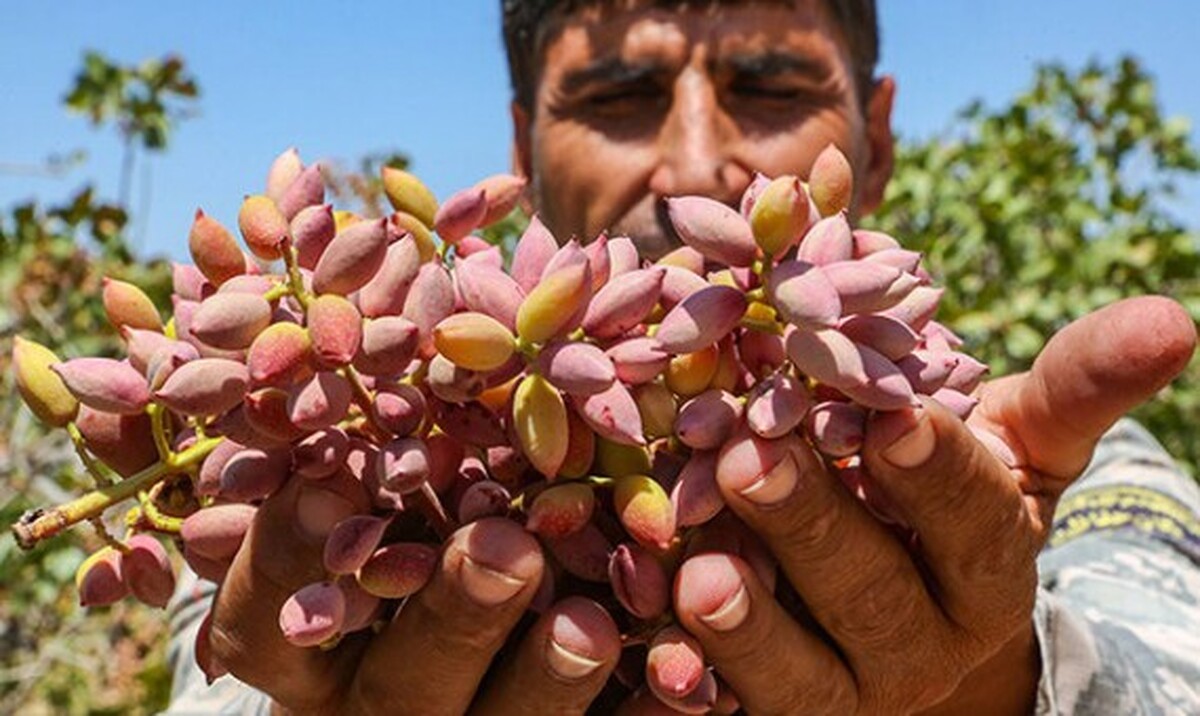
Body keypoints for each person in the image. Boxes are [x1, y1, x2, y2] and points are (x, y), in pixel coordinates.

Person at [164, 1, 1200, 713]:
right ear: (523, 148)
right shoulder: (310, 461)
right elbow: (215, 675)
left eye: (772, 85)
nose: (697, 162)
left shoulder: (1057, 461)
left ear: (873, 143)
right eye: (617, 98)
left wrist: (991, 683)